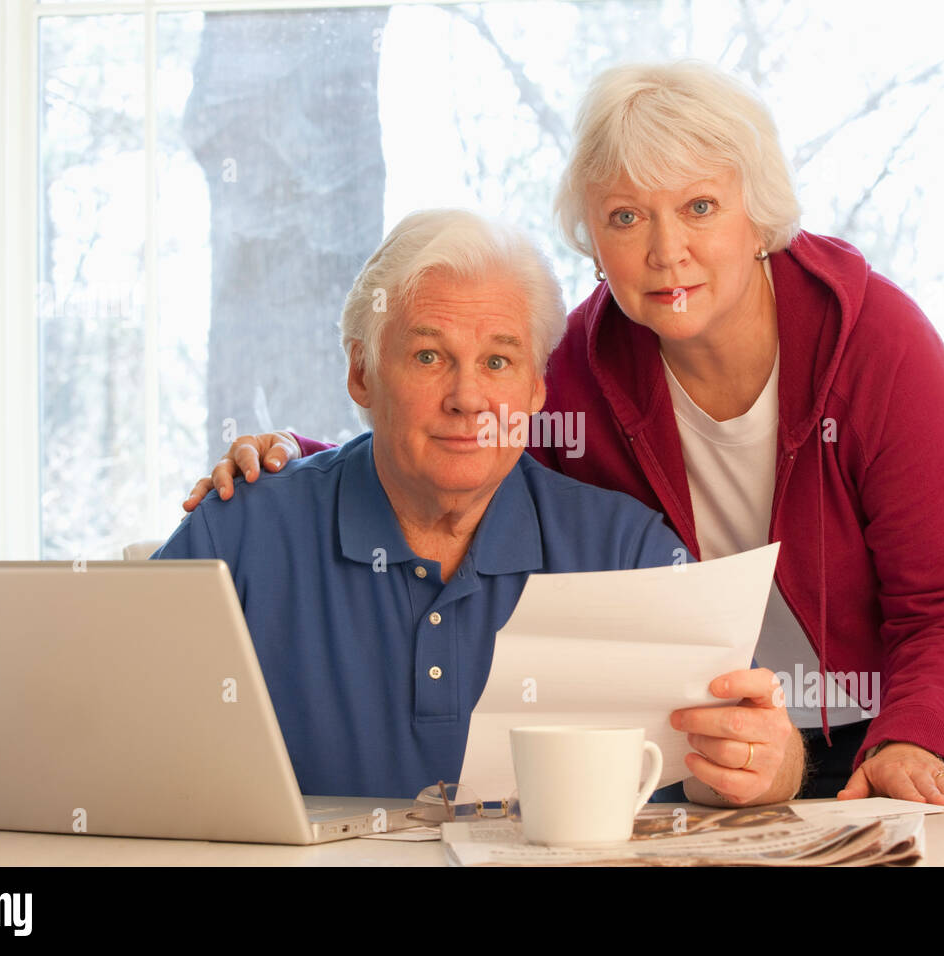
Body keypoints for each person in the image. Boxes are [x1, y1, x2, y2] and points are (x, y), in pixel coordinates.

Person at [184, 62, 944, 810]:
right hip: (711, 727)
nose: (668, 251)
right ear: (593, 235)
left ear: (757, 214)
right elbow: (464, 437)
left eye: (700, 206)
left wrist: (914, 738)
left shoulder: (875, 342)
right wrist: (300, 462)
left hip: (911, 703)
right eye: (627, 218)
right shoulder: (581, 361)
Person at [155, 208, 805, 802]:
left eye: (498, 361)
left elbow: (745, 747)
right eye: (429, 356)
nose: (467, 398)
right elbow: (108, 729)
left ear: (535, 389)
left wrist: (767, 767)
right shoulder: (240, 531)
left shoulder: (624, 550)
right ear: (361, 372)